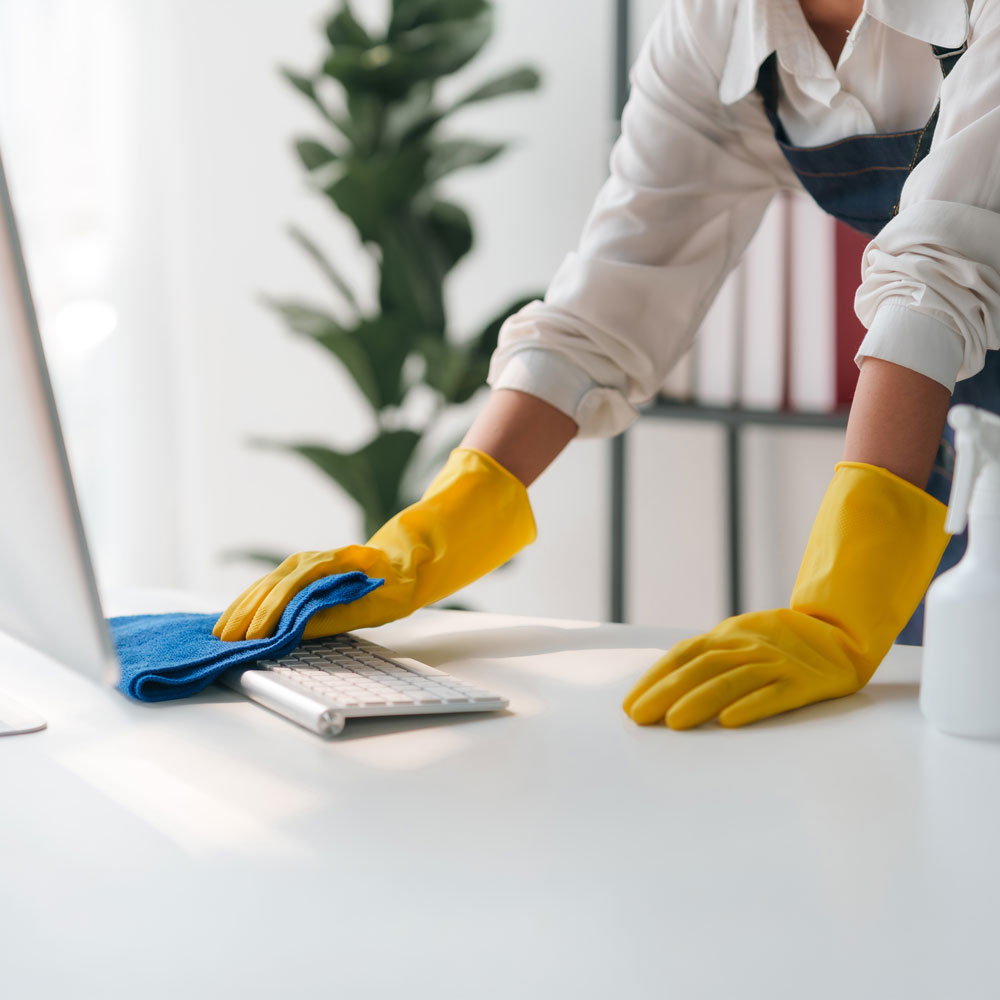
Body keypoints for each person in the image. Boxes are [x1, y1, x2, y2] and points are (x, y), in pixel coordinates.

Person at [215, 0, 1000, 730]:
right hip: (961, 460)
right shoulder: (719, 25)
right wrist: (434, 529)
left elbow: (940, 274)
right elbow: (614, 294)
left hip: (925, 439)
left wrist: (841, 606)